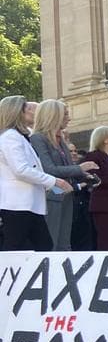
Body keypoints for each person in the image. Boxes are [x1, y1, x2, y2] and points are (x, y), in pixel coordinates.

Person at [0, 96, 73, 250]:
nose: (34, 111)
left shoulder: (21, 137)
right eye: (28, 108)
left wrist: (53, 186)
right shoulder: (10, 138)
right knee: (17, 246)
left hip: (29, 203)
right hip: (17, 203)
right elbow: (21, 169)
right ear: (16, 112)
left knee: (42, 245)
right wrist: (55, 182)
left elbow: (34, 169)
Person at [30, 99, 96, 250]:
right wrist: (79, 168)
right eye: (65, 114)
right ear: (53, 115)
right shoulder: (38, 138)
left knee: (65, 243)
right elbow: (49, 169)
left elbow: (67, 167)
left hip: (66, 195)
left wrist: (85, 176)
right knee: (51, 241)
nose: (69, 118)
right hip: (50, 196)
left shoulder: (61, 141)